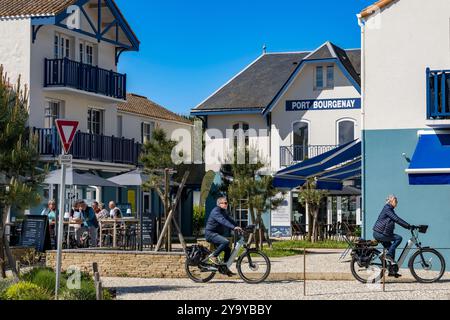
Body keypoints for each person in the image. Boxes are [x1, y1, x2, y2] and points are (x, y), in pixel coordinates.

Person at [373, 195, 412, 278]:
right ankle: (388, 255)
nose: (397, 202)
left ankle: (392, 271)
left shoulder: (389, 209)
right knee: (398, 238)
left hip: (382, 233)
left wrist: (408, 226)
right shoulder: (387, 209)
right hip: (380, 234)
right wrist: (408, 226)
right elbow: (396, 219)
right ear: (390, 201)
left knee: (391, 249)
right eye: (395, 200)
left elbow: (395, 219)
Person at [205, 197, 243, 277]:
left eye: (227, 203)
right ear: (219, 204)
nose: (226, 204)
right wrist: (233, 228)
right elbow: (223, 220)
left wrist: (239, 227)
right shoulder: (216, 211)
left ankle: (225, 268)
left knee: (228, 249)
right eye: (224, 203)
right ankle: (213, 256)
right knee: (226, 242)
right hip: (210, 234)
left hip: (216, 234)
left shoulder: (223, 212)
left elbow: (229, 220)